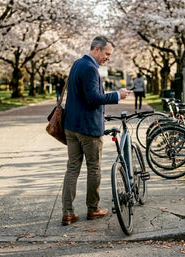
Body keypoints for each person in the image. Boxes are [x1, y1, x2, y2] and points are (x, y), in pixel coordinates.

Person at [61, 36, 131, 226]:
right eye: (107, 54)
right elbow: (93, 97)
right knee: (94, 168)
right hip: (88, 130)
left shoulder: (77, 64)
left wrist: (101, 114)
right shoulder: (91, 69)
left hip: (71, 127)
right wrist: (118, 95)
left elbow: (81, 97)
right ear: (97, 49)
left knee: (72, 169)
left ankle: (67, 213)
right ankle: (93, 209)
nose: (108, 58)